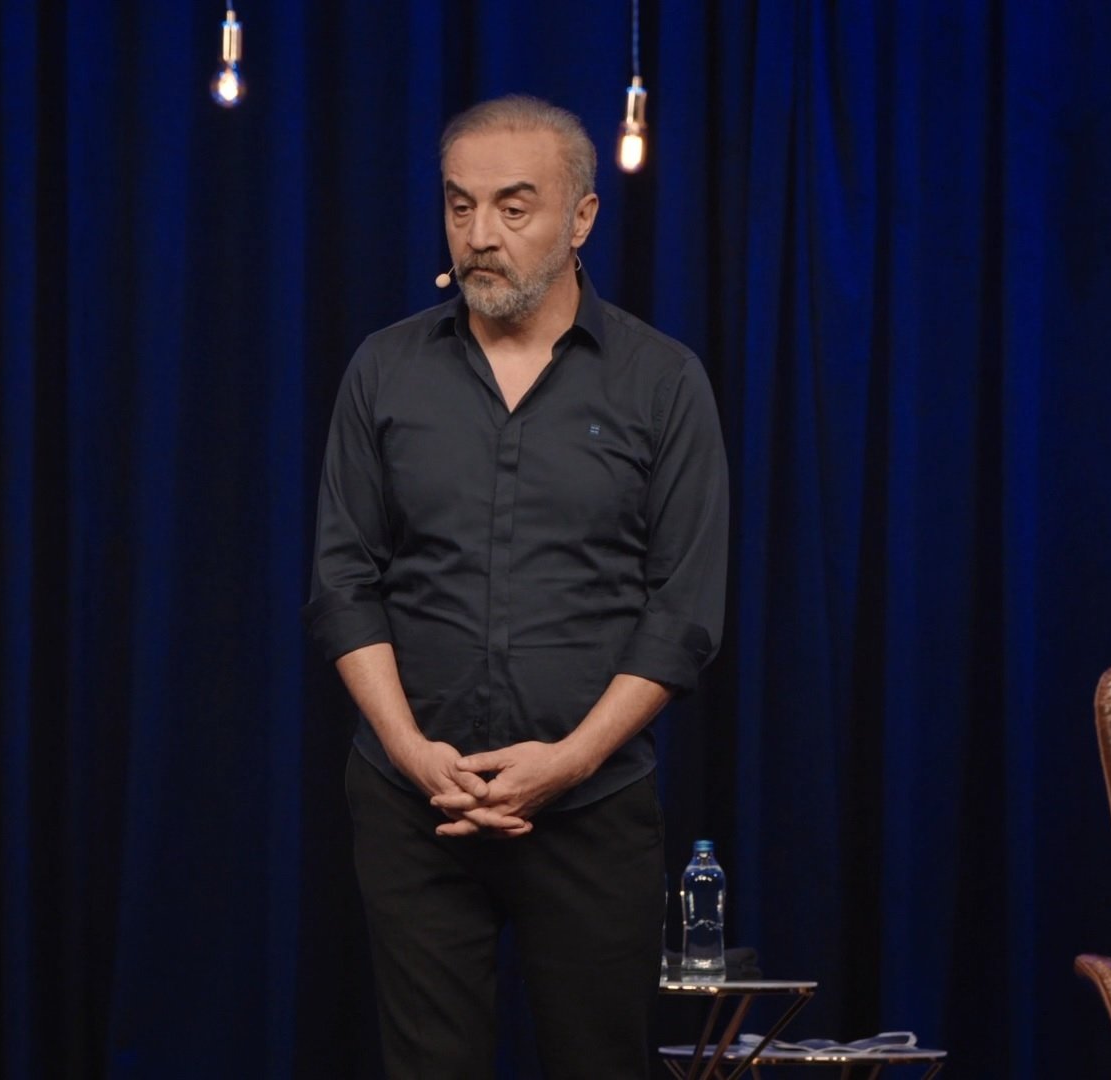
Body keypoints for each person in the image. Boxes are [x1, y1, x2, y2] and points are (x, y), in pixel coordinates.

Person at [303, 95, 729, 1080]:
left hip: (593, 806)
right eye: (460, 206)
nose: (480, 234)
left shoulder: (662, 382)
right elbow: (344, 581)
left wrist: (569, 761)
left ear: (581, 218)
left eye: (513, 206)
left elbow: (683, 612)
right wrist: (411, 752)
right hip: (415, 805)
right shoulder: (386, 370)